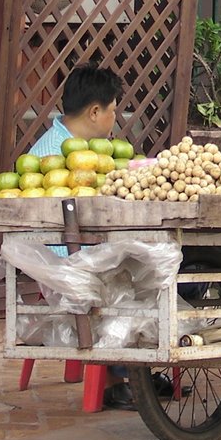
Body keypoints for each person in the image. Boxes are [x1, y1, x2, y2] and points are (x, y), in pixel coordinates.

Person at [29, 63, 138, 409]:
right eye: (113, 112)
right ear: (95, 111)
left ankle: (132, 374)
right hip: (67, 267)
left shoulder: (66, 150)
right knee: (143, 279)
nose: (114, 120)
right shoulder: (57, 159)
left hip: (69, 261)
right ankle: (123, 378)